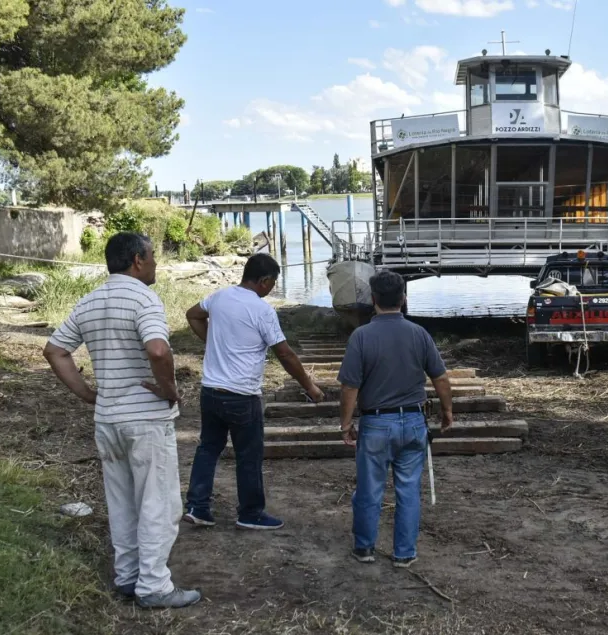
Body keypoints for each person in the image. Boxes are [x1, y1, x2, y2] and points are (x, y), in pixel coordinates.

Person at [43, 232, 200, 609]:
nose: (156, 263)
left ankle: (128, 575)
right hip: (144, 420)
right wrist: (168, 388)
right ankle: (154, 586)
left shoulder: (91, 299)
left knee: (123, 502)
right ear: (136, 260)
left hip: (108, 418)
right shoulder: (144, 298)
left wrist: (88, 394)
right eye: (152, 256)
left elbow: (55, 350)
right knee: (159, 503)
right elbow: (158, 349)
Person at [183, 253, 325, 531]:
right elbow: (284, 353)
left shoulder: (219, 297)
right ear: (264, 281)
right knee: (248, 454)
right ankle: (250, 512)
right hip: (242, 396)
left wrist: (212, 341)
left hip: (210, 391)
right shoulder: (262, 310)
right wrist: (309, 385)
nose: (272, 288)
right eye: (272, 283)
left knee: (208, 448)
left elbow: (193, 314)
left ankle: (198, 507)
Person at [337, 270, 453, 568]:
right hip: (414, 422)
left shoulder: (361, 336)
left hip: (375, 424)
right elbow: (440, 378)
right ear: (404, 299)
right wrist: (447, 411)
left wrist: (346, 424)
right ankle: (404, 553)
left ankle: (364, 548)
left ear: (373, 299)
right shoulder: (419, 333)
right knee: (409, 490)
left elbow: (350, 386)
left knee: (369, 489)